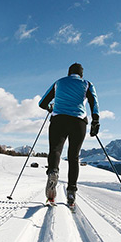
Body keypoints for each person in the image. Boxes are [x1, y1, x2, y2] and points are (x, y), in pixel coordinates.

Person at [39, 63, 100, 207]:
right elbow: (94, 103)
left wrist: (50, 108)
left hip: (58, 120)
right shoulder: (87, 84)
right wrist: (95, 121)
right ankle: (71, 191)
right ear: (81, 74)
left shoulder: (59, 82)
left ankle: (53, 171)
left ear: (68, 73)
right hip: (78, 122)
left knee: (55, 150)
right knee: (74, 156)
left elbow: (42, 103)